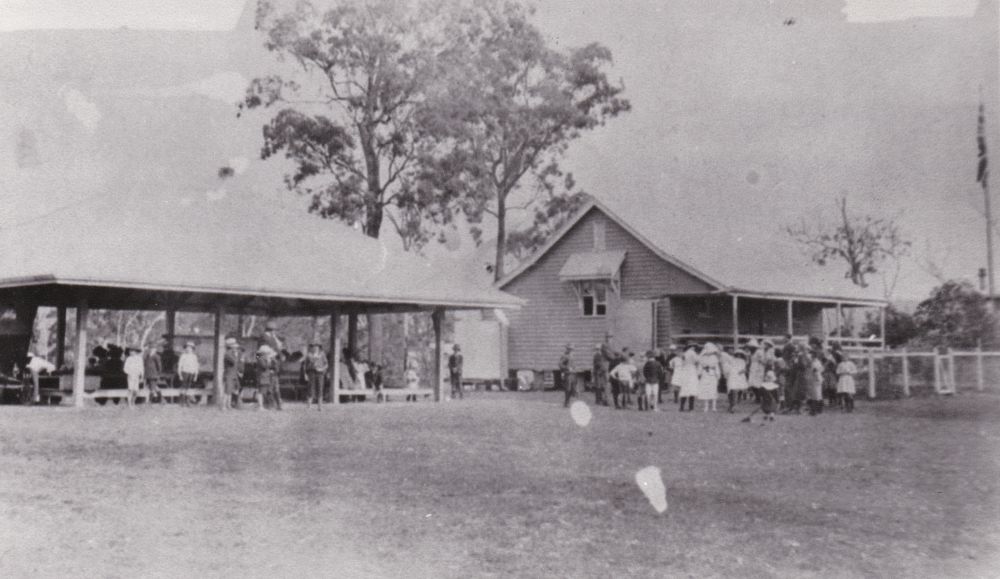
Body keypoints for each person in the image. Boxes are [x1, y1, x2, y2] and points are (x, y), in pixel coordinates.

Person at [674, 344, 700, 411]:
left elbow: (681, 362)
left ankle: (681, 407)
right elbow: (697, 360)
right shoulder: (692, 352)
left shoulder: (684, 353)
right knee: (692, 389)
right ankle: (691, 407)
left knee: (684, 389)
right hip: (691, 371)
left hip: (685, 371)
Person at [255, 344, 281, 410]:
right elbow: (264, 366)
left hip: (268, 376)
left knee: (266, 391)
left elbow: (275, 368)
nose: (268, 354)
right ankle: (261, 406)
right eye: (267, 352)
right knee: (261, 391)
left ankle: (266, 405)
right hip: (263, 376)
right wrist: (269, 362)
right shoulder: (260, 358)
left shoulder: (266, 358)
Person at [697, 343, 721, 412]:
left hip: (712, 374)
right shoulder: (702, 357)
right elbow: (700, 366)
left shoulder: (714, 357)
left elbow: (716, 367)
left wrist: (718, 375)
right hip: (705, 374)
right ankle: (706, 407)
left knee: (713, 390)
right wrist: (699, 373)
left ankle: (714, 407)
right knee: (705, 390)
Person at [304, 342, 328, 411]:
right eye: (313, 346)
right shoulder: (309, 355)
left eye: (316, 346)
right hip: (311, 373)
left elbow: (326, 364)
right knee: (311, 388)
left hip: (320, 373)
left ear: (319, 347)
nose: (315, 348)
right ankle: (309, 406)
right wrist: (306, 374)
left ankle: (320, 407)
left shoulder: (322, 354)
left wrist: (322, 369)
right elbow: (305, 365)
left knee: (320, 388)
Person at [176, 342, 200, 407]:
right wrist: (180, 374)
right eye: (187, 347)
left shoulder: (194, 356)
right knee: (183, 386)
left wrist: (196, 375)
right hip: (184, 372)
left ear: (192, 349)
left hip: (191, 372)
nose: (188, 349)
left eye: (190, 348)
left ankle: (188, 401)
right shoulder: (183, 356)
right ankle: (182, 401)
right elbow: (180, 365)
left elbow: (196, 366)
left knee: (189, 387)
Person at [223, 338, 244, 410]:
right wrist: (238, 357)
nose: (236, 348)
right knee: (227, 390)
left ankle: (229, 405)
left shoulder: (233, 354)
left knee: (233, 389)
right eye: (234, 347)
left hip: (234, 374)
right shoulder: (227, 354)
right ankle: (224, 405)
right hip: (229, 374)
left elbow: (238, 364)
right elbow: (233, 362)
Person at [805, 346, 825, 416]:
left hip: (816, 379)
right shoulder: (816, 362)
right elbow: (821, 369)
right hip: (816, 378)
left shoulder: (815, 362)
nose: (810, 356)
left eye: (811, 355)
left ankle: (814, 410)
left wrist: (816, 377)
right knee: (817, 394)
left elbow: (815, 371)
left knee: (815, 394)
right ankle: (819, 409)